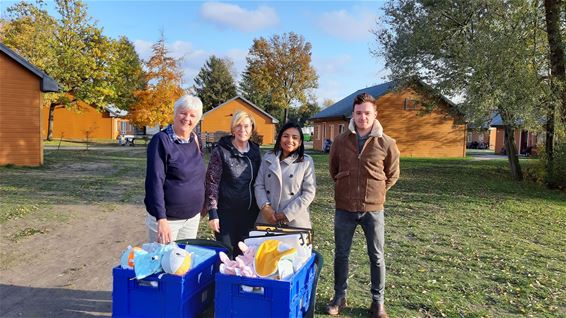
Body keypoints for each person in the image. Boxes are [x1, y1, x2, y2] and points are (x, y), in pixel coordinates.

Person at [326, 93, 400, 318]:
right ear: (353, 115)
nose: (362, 117)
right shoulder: (340, 141)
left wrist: (376, 192)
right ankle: (339, 296)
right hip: (344, 208)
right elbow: (333, 171)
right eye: (358, 113)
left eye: (367, 113)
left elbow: (392, 174)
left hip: (373, 210)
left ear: (375, 114)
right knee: (341, 254)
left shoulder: (386, 143)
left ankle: (378, 302)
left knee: (376, 256)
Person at [144, 95, 205, 244]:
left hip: (192, 218)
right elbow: (155, 182)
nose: (187, 118)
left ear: (197, 120)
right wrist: (161, 219)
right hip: (169, 221)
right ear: (175, 114)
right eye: (183, 113)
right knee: (163, 264)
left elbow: (198, 175)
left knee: (183, 263)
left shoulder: (196, 140)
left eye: (192, 115)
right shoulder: (161, 141)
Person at [205, 111, 262, 254]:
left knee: (246, 256)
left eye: (246, 126)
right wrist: (213, 213)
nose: (242, 130)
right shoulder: (221, 151)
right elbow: (212, 183)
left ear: (252, 128)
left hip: (250, 214)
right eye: (238, 126)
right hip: (226, 214)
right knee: (226, 254)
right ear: (233, 128)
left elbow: (260, 181)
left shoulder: (255, 151)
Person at [254, 122, 316, 228]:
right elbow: (259, 185)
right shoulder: (268, 158)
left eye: (295, 137)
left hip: (295, 221)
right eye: (285, 136)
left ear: (300, 142)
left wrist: (287, 213)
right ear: (280, 138)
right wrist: (265, 207)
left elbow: (309, 193)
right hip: (267, 219)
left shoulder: (306, 162)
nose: (289, 140)